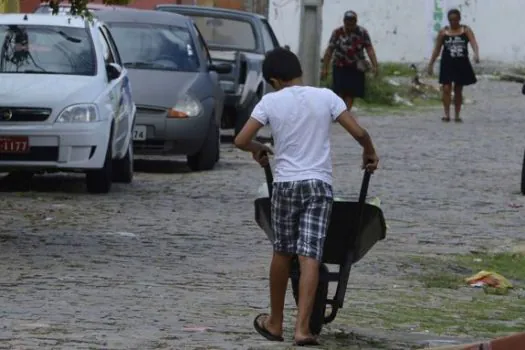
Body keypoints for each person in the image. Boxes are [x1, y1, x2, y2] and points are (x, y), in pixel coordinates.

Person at [234, 47, 379, 346]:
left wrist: (259, 149)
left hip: (286, 185)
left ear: (274, 79)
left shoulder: (270, 101)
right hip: (318, 185)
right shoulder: (326, 96)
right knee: (310, 254)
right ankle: (302, 329)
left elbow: (241, 139)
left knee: (282, 252)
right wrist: (369, 151)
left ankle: (275, 323)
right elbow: (359, 131)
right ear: (298, 71)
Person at [427, 8, 480, 122]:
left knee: (458, 89)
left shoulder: (465, 30)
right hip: (447, 63)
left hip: (461, 63)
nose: (453, 22)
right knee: (446, 88)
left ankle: (457, 114)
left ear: (459, 19)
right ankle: (446, 114)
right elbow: (437, 49)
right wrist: (431, 63)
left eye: (455, 20)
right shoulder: (443, 32)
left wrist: (476, 54)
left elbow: (474, 43)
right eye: (451, 20)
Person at [321, 10, 379, 111]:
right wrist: (324, 68)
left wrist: (375, 66)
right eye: (348, 23)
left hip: (356, 68)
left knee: (351, 93)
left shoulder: (362, 33)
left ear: (356, 22)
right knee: (339, 92)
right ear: (344, 22)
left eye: (352, 23)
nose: (350, 26)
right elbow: (329, 51)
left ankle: (345, 113)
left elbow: (369, 49)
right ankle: (338, 112)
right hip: (340, 67)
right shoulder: (337, 33)